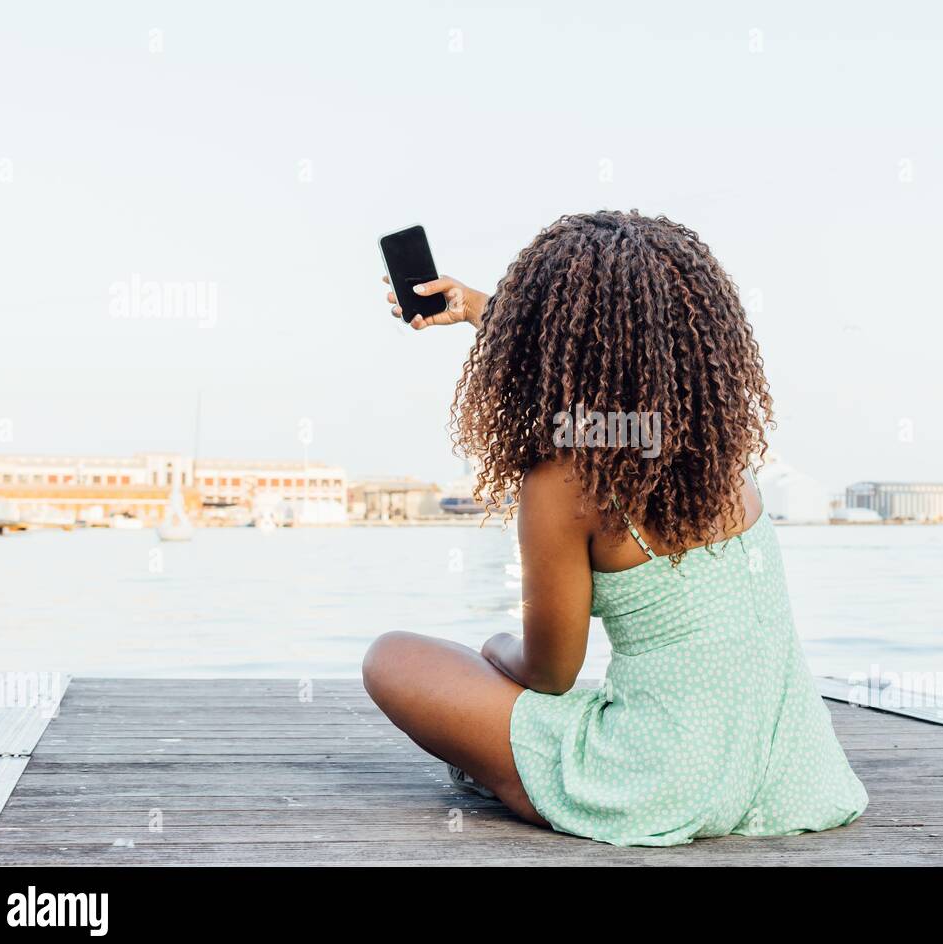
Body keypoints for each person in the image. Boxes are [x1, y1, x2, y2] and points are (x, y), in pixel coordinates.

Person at [362, 210, 867, 846]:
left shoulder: (566, 484)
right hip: (785, 774)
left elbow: (550, 674)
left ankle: (517, 775)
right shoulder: (719, 449)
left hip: (655, 781)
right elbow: (612, 354)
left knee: (393, 658)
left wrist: (495, 648)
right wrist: (474, 308)